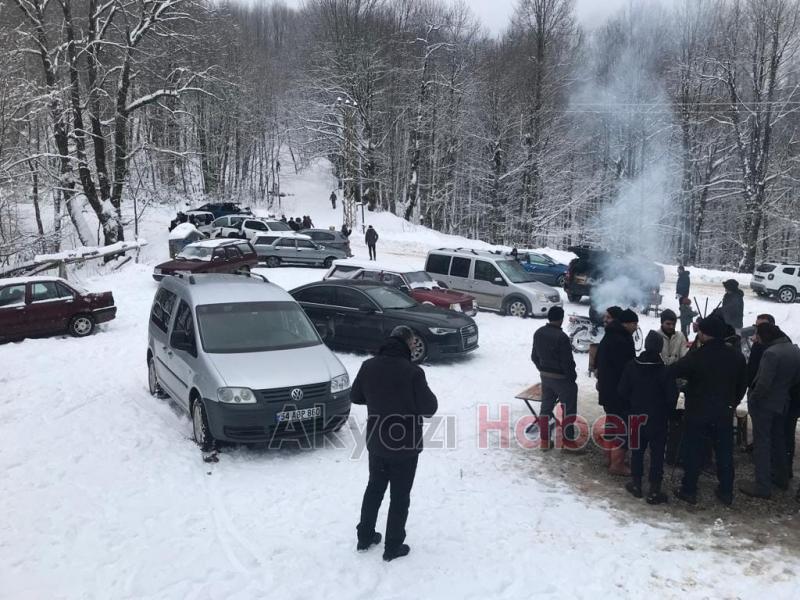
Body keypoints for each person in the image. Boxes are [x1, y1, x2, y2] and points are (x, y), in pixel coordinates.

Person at [351, 326, 438, 562]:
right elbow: (429, 408)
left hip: (377, 441)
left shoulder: (369, 366)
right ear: (408, 343)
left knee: (374, 488)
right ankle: (393, 546)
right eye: (412, 344)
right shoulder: (413, 372)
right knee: (400, 496)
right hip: (405, 445)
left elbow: (355, 396)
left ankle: (365, 537)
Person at [669, 316, 747, 506]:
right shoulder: (736, 356)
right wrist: (732, 401)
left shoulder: (698, 355)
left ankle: (689, 489)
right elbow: (743, 384)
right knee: (724, 452)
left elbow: (674, 370)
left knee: (693, 450)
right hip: (723, 411)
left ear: (704, 333)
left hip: (698, 411)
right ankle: (726, 491)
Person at [739, 323, 800, 499]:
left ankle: (762, 485)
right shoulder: (794, 350)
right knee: (778, 440)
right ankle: (782, 477)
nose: (756, 338)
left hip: (765, 405)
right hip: (783, 402)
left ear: (766, 335)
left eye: (758, 335)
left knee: (762, 444)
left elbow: (763, 383)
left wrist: (754, 398)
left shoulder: (771, 353)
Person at [618, 331, 678, 504]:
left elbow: (622, 391)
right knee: (658, 453)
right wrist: (668, 411)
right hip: (657, 418)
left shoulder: (631, 366)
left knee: (637, 450)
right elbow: (671, 397)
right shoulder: (664, 370)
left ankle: (636, 484)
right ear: (660, 348)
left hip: (636, 416)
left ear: (645, 345)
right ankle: (654, 489)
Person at [595, 308, 638, 475]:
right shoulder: (623, 340)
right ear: (626, 323)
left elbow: (598, 360)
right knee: (622, 427)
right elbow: (627, 369)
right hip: (618, 392)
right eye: (634, 323)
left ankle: (608, 457)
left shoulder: (608, 335)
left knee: (611, 424)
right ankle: (617, 464)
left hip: (607, 390)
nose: (636, 327)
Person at [530, 306, 578, 445]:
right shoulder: (562, 337)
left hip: (545, 377)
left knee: (545, 408)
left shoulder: (538, 333)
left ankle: (544, 441)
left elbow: (534, 356)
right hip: (562, 378)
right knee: (568, 410)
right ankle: (568, 442)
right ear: (561, 319)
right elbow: (567, 362)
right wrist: (571, 378)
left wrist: (543, 369)